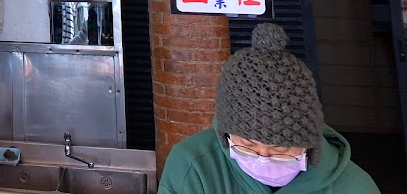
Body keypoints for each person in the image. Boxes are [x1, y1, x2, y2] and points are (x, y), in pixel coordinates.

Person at [159, 23, 380, 194]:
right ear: (225, 135)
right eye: (247, 145)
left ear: (309, 143)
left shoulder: (354, 187)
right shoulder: (193, 167)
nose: (263, 159)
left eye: (280, 150)